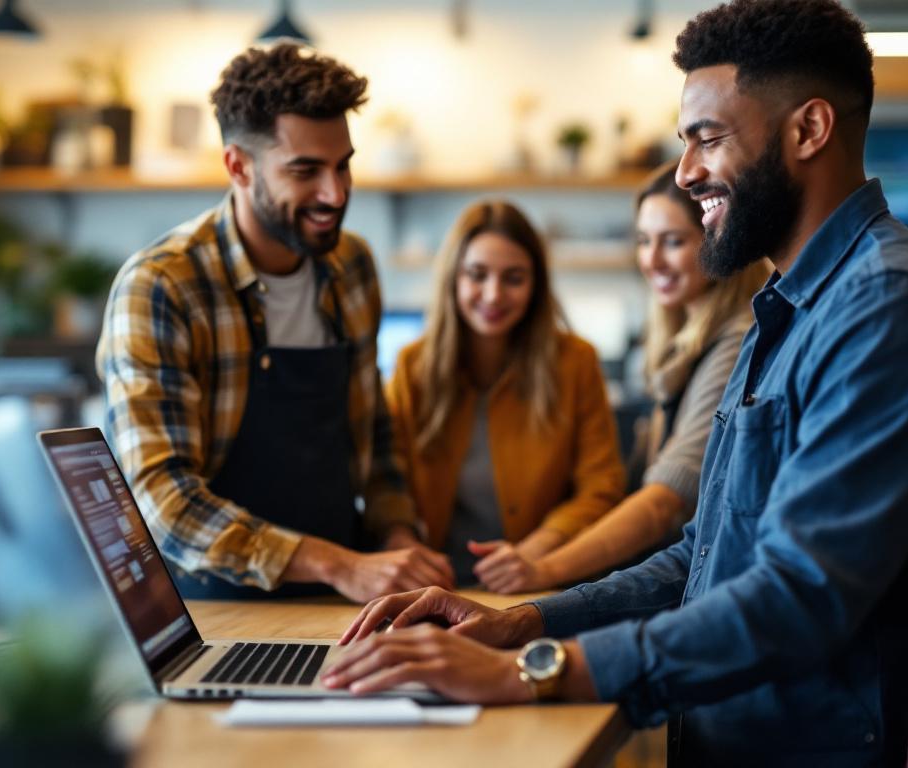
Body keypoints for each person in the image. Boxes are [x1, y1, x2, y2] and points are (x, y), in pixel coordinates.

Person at [323, 1, 908, 763]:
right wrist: (527, 622)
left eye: (707, 138)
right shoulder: (788, 308)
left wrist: (539, 672)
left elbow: (801, 596)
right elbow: (705, 556)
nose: (685, 174)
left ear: (809, 130)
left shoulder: (888, 307)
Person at [96, 44, 452, 603]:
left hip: (345, 596)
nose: (335, 194)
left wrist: (397, 538)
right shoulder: (163, 286)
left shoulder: (351, 267)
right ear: (238, 165)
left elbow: (374, 435)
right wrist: (340, 566)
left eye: (343, 165)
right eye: (305, 171)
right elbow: (161, 499)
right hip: (210, 606)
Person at [471, 164, 773, 593]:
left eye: (673, 242)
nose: (651, 261)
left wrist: (544, 570)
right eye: (643, 241)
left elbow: (665, 503)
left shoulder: (735, 342)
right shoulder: (684, 346)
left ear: (716, 240)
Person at [384, 200, 625, 586]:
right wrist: (402, 544)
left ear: (535, 285)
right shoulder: (411, 367)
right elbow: (385, 482)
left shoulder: (575, 363)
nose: (494, 295)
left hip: (538, 582)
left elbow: (602, 487)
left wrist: (533, 552)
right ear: (453, 279)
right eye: (477, 275)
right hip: (432, 586)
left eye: (513, 278)